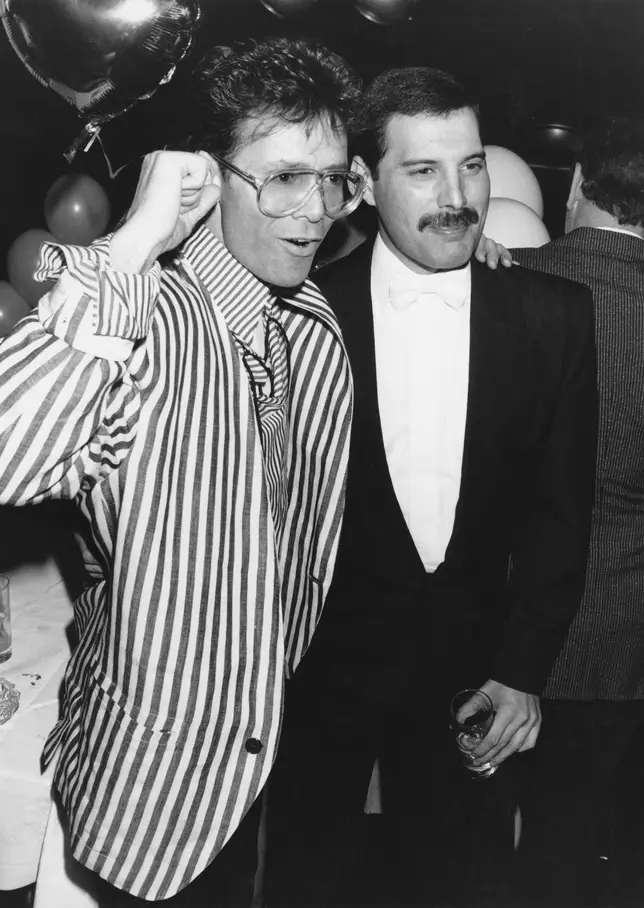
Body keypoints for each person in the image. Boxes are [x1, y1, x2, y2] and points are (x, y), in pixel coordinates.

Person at [0, 37, 366, 906]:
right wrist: (135, 242)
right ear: (209, 176)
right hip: (150, 789)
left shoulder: (314, 331)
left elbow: (296, 548)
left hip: (254, 763)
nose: (316, 212)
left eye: (334, 178)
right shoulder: (145, 317)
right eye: (282, 178)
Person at [265, 66, 599, 908]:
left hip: (472, 683)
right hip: (315, 683)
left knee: (455, 882)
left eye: (473, 164)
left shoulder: (556, 316)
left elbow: (563, 516)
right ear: (364, 186)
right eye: (422, 171)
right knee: (306, 879)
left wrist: (524, 671)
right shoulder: (302, 314)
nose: (458, 197)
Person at [512, 117, 644, 908]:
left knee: (464, 847)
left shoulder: (493, 282)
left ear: (571, 187)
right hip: (623, 650)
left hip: (495, 634)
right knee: (585, 856)